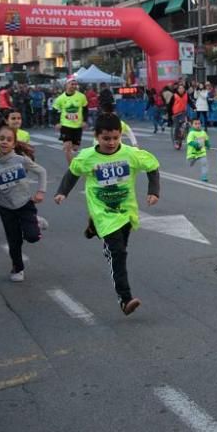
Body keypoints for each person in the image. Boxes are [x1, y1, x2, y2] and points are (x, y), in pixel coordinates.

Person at [54, 113, 160, 315]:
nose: (111, 143)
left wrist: (153, 191)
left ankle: (95, 229)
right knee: (119, 253)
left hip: (125, 211)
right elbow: (73, 173)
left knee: (120, 246)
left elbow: (153, 166)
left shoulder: (131, 154)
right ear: (96, 136)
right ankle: (125, 299)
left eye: (115, 138)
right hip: (102, 210)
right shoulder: (87, 157)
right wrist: (62, 192)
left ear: (121, 135)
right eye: (106, 139)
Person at [0, 125, 47, 283]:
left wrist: (41, 191)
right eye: (1, 139)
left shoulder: (21, 160)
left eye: (9, 139)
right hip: (5, 207)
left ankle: (36, 223)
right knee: (14, 240)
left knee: (32, 237)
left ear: (14, 144)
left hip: (25, 203)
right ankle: (18, 268)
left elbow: (41, 171)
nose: (4, 142)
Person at [52, 79, 88, 166]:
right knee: (67, 147)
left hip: (77, 126)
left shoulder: (81, 96)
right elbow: (54, 111)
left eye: (75, 84)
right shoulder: (60, 98)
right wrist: (56, 123)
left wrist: (84, 121)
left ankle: (74, 160)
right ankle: (72, 168)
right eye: (72, 84)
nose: (74, 86)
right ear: (66, 85)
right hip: (65, 125)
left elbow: (85, 110)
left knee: (75, 148)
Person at [186, 117, 211, 182]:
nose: (198, 125)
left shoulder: (203, 132)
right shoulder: (191, 133)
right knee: (190, 162)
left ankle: (204, 176)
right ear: (192, 125)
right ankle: (193, 160)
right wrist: (195, 144)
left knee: (204, 164)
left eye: (199, 123)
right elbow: (189, 141)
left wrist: (208, 145)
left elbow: (206, 139)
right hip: (193, 153)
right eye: (195, 124)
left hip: (202, 152)